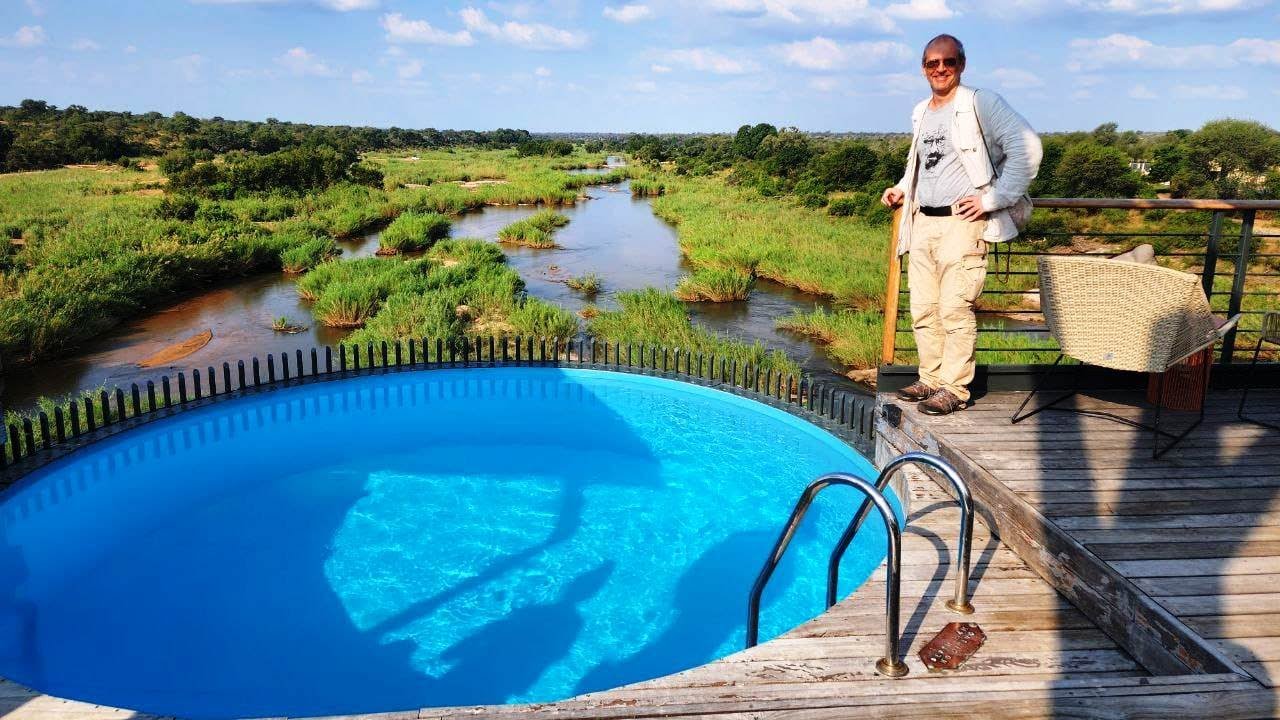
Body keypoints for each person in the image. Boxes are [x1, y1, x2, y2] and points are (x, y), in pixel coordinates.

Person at [881, 34, 1042, 416]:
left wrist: (993, 199)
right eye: (932, 63)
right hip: (922, 222)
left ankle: (955, 388)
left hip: (962, 224)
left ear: (961, 64)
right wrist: (902, 189)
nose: (940, 69)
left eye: (947, 62)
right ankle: (931, 378)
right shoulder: (922, 111)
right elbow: (922, 164)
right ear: (923, 68)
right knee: (923, 307)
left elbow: (1029, 148)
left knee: (954, 308)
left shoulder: (979, 103)